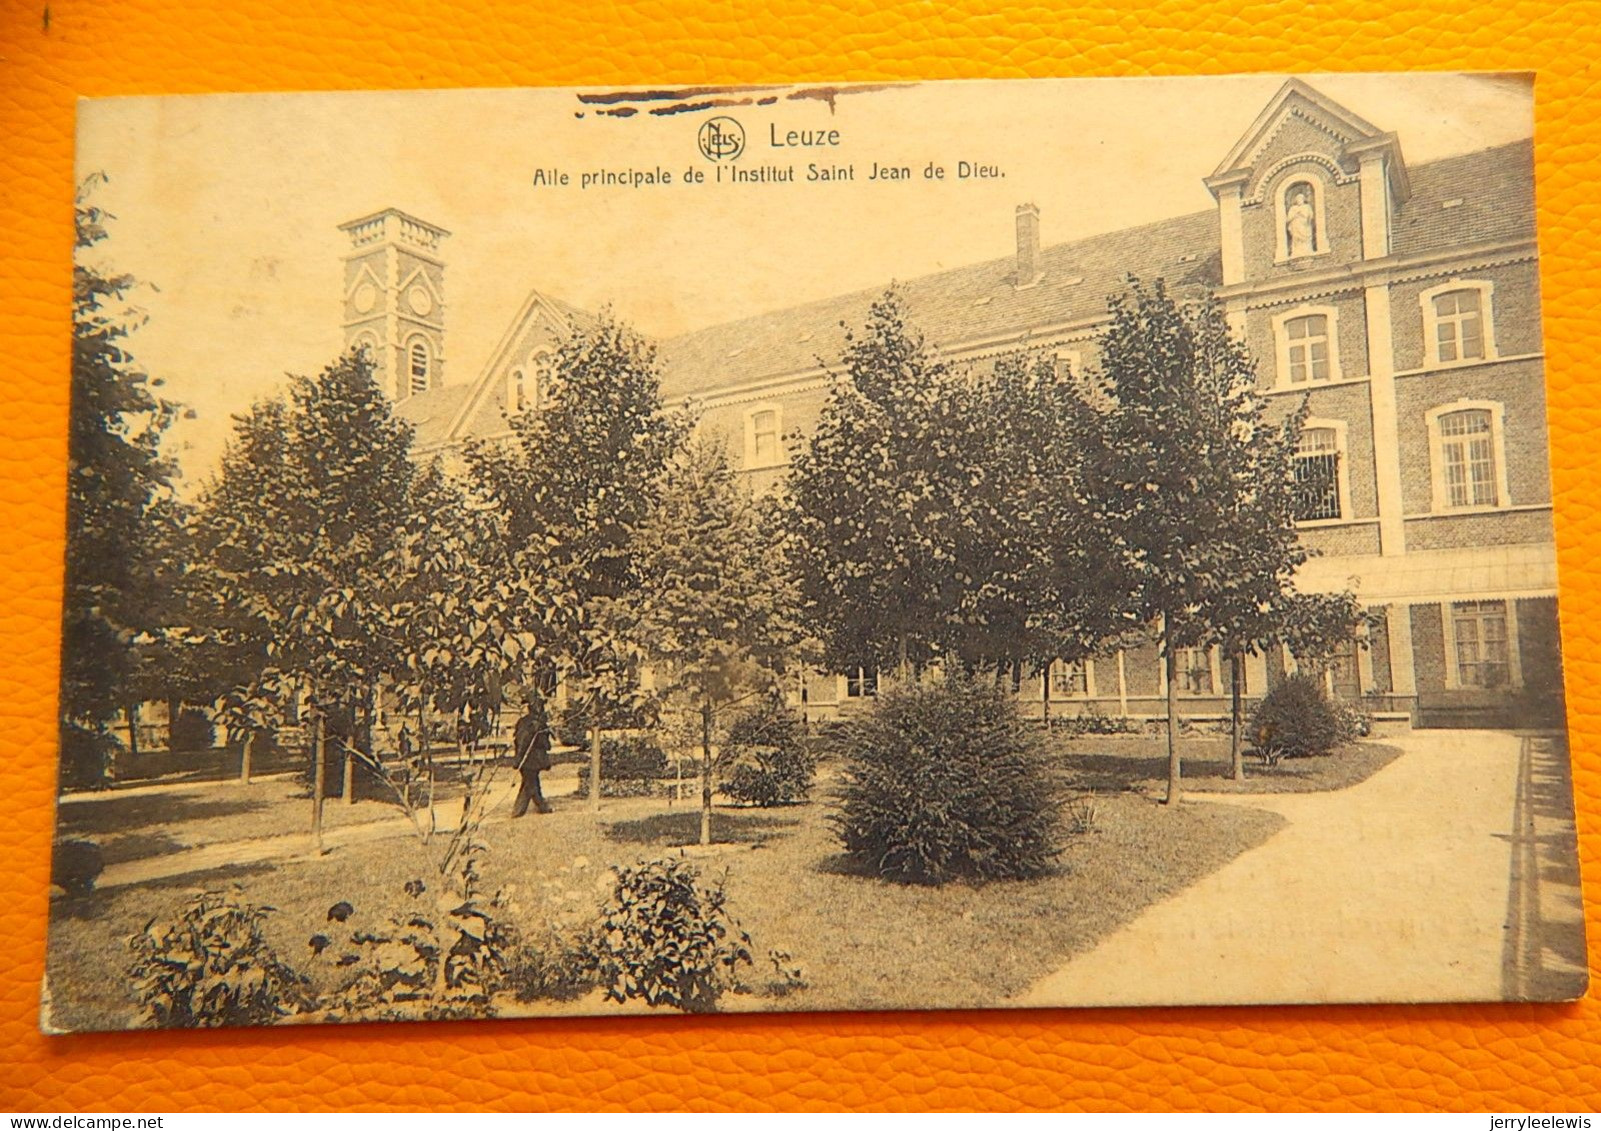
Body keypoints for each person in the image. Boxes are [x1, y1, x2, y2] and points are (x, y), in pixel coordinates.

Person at [510, 692, 554, 816]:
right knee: (530, 785)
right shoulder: (535, 724)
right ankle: (519, 811)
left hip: (527, 758)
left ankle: (540, 807)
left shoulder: (524, 722)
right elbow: (526, 741)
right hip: (531, 759)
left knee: (531, 782)